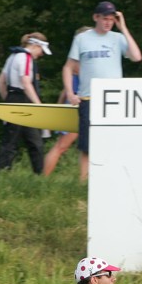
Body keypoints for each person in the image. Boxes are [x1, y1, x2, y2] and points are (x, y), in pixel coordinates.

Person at [62, 1, 142, 182]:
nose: (108, 23)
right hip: (89, 97)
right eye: (105, 19)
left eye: (111, 20)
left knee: (114, 142)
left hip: (114, 99)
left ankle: (112, 179)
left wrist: (123, 28)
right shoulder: (82, 38)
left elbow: (137, 57)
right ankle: (83, 182)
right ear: (96, 18)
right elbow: (68, 67)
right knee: (87, 145)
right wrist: (70, 92)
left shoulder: (118, 38)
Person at [0, 32, 51, 173]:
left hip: (12, 98)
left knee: (16, 140)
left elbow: (0, 82)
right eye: (41, 50)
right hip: (23, 101)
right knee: (29, 143)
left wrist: (8, 100)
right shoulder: (26, 58)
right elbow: (26, 83)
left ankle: (4, 172)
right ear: (35, 45)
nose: (41, 54)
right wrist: (39, 106)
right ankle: (38, 174)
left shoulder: (12, 56)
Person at [43, 27, 91, 176]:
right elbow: (70, 87)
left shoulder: (81, 58)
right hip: (76, 104)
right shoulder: (78, 60)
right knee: (62, 146)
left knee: (86, 147)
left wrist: (59, 106)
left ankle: (84, 182)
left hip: (77, 104)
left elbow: (64, 90)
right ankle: (42, 179)